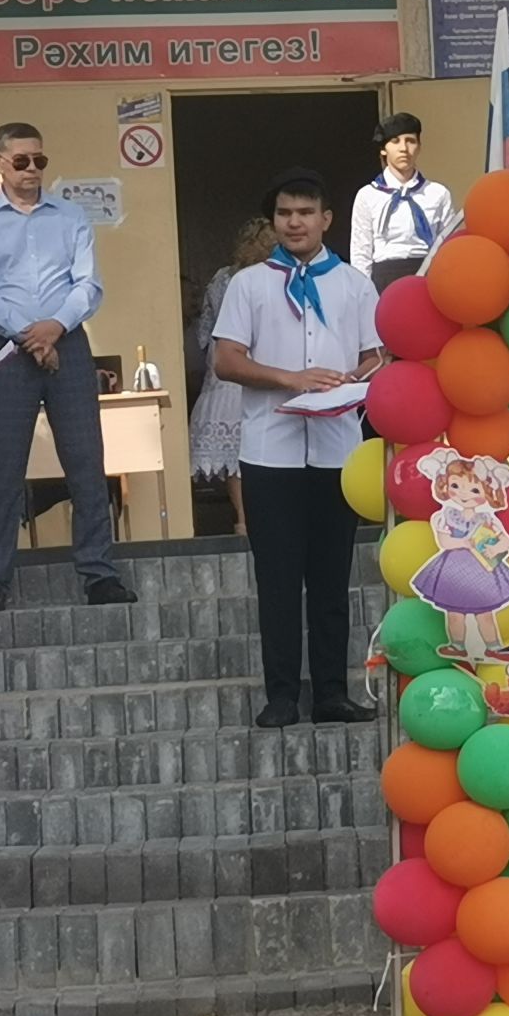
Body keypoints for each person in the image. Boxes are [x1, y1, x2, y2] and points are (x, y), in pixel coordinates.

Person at [212, 167, 384, 729]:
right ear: (274, 221)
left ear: (326, 219)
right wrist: (291, 379)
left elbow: (376, 355)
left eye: (306, 212)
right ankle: (282, 695)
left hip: (337, 452)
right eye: (285, 213)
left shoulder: (355, 284)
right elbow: (226, 360)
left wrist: (351, 380)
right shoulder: (249, 284)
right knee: (278, 581)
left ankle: (332, 693)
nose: (295, 222)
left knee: (332, 579)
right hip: (270, 454)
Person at [0, 121, 137, 613]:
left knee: (86, 461)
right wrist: (30, 335)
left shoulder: (71, 215)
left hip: (68, 342)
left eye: (40, 160)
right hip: (6, 348)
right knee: (3, 466)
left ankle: (99, 573)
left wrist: (54, 328)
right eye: (21, 161)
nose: (32, 169)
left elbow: (88, 284)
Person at [189, 217, 277, 535]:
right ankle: (269, 518)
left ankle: (242, 520)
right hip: (261, 365)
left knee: (233, 457)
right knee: (267, 450)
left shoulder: (222, 277)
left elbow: (205, 332)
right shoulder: (274, 278)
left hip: (224, 373)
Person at [409, 449, 509, 660]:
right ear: (445, 485)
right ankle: (457, 646)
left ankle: (494, 647)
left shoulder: (487, 519)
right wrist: (463, 543)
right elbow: (444, 541)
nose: (464, 494)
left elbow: (506, 541)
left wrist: (495, 548)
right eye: (455, 486)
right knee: (454, 614)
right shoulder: (447, 516)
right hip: (454, 570)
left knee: (485, 614)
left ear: (487, 492)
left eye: (474, 489)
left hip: (482, 572)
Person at [349, 112, 457, 291]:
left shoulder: (438, 193)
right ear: (383, 149)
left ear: (419, 147)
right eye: (395, 141)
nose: (404, 148)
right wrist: (364, 293)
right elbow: (361, 253)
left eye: (410, 141)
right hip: (384, 278)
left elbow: (449, 246)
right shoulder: (367, 195)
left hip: (427, 275)